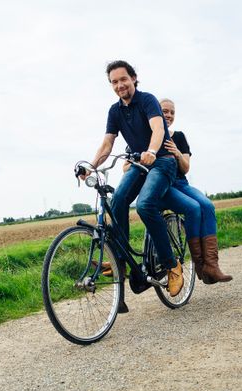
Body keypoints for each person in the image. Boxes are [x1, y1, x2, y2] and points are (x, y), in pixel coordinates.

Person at [82, 61, 184, 310]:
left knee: (146, 204)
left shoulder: (148, 100)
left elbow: (158, 128)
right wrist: (91, 166)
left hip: (161, 161)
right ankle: (121, 261)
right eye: (114, 82)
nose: (119, 85)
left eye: (123, 79)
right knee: (117, 200)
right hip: (139, 162)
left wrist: (151, 150)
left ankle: (172, 265)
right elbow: (107, 145)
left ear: (134, 78)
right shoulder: (114, 111)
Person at [158, 98, 232, 284]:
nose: (168, 115)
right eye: (164, 111)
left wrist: (176, 151)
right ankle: (200, 265)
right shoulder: (150, 135)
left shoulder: (180, 137)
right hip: (165, 186)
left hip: (181, 183)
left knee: (207, 205)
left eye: (172, 112)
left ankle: (212, 265)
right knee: (194, 208)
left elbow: (186, 168)